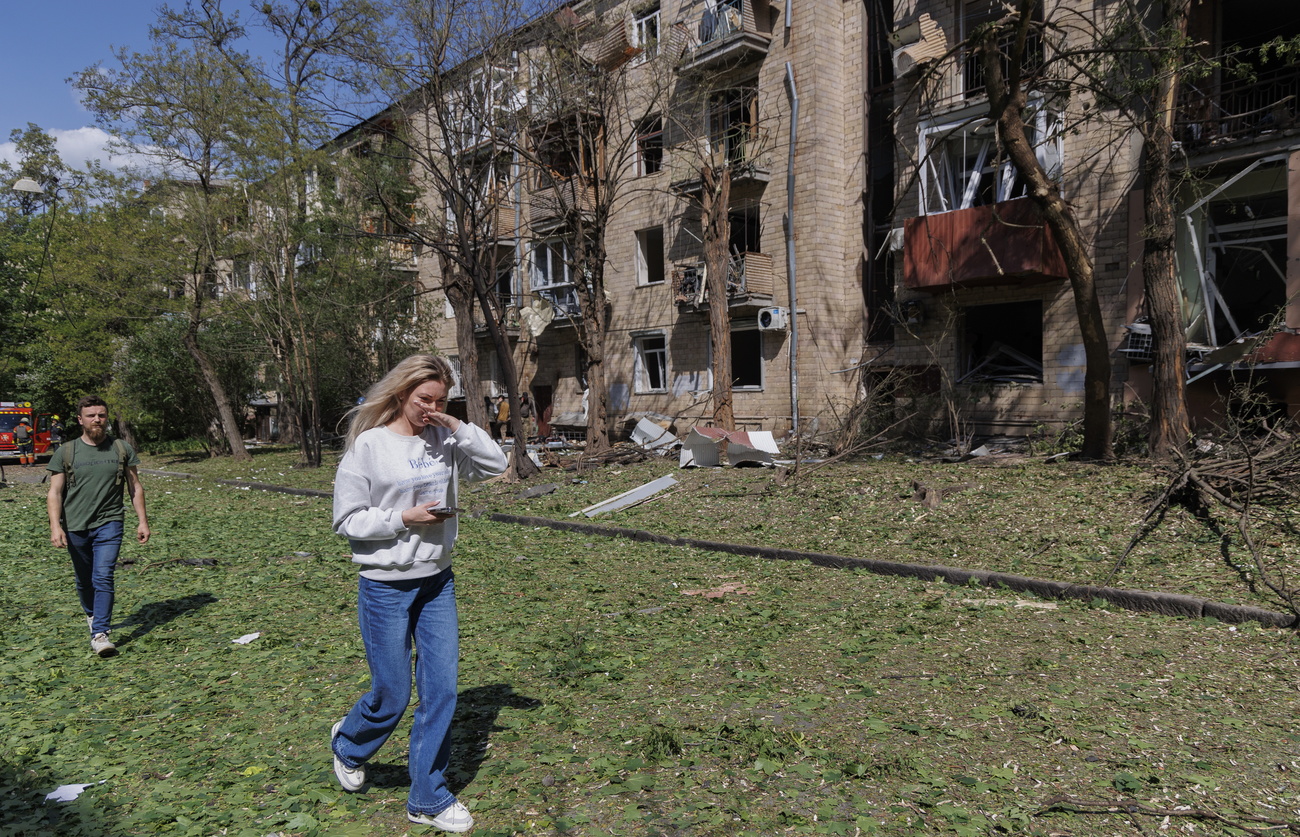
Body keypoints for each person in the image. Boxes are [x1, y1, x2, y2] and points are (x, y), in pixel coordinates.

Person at [330, 354, 507, 832]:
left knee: (442, 690)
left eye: (440, 400)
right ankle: (349, 742)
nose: (430, 407)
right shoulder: (369, 446)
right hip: (385, 587)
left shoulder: (444, 439)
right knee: (392, 693)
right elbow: (346, 522)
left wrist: (458, 424)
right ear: (401, 395)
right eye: (423, 399)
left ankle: (426, 797)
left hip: (436, 582)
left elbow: (496, 464)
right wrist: (404, 518)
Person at [46, 396, 151, 657]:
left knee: (103, 575)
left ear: (107, 418)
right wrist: (55, 527)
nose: (97, 420)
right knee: (85, 579)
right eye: (91, 415)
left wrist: (142, 520)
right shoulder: (66, 451)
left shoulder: (121, 448)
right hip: (75, 525)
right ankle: (92, 615)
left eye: (101, 415)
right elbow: (55, 492)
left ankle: (101, 634)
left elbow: (135, 487)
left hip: (110, 522)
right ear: (80, 419)